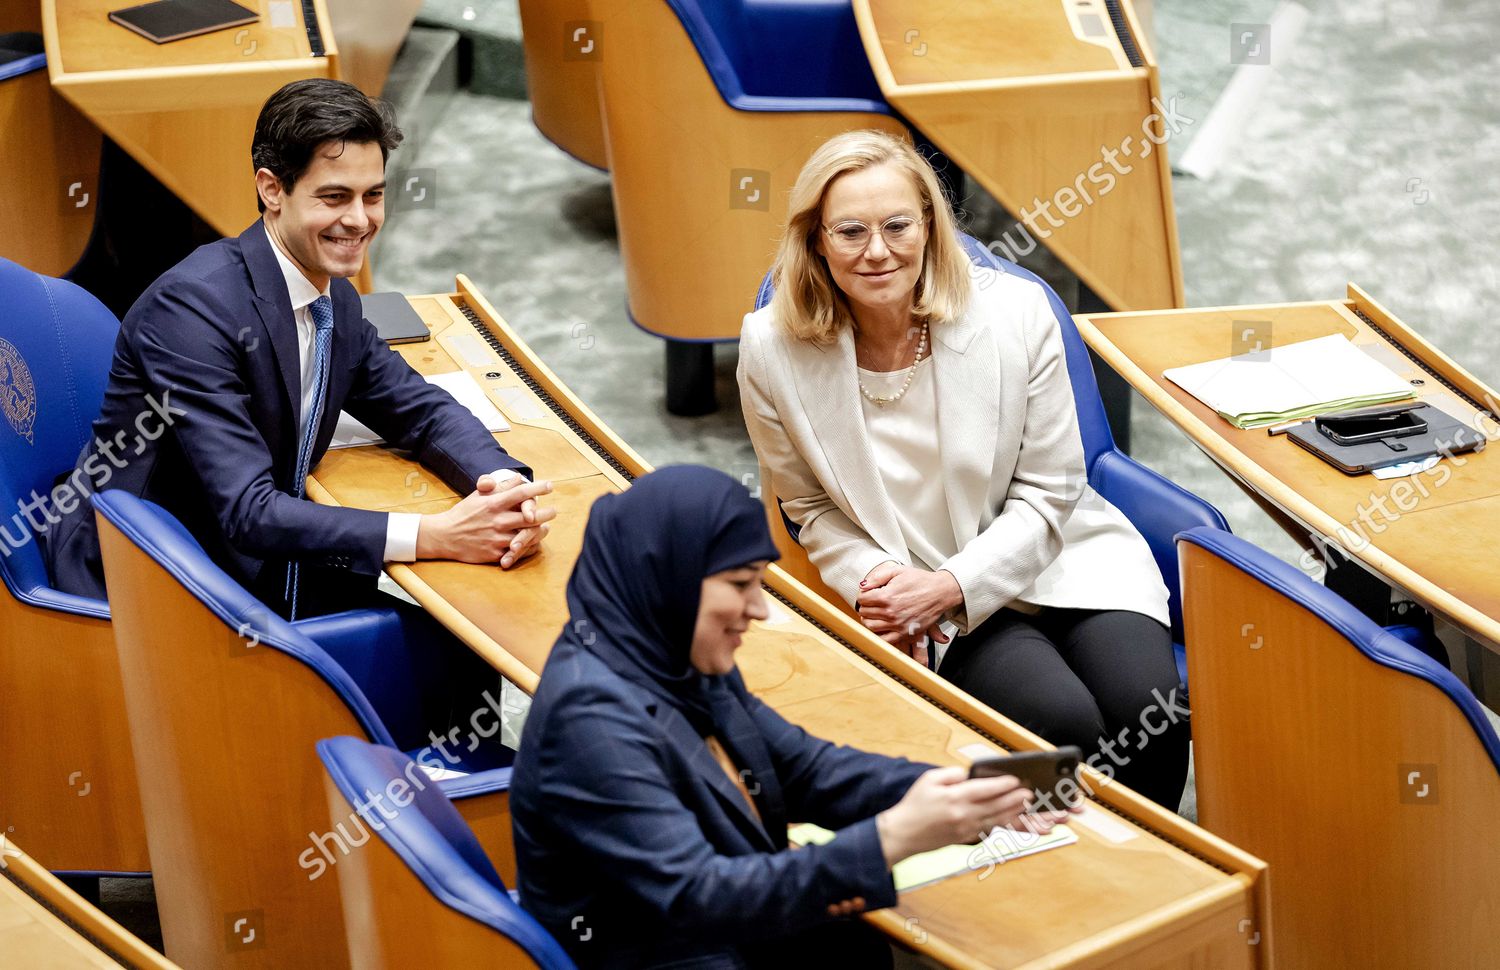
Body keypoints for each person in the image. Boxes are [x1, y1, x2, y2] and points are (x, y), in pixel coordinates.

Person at [737, 129, 1188, 808]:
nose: (878, 251)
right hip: (926, 588)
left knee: (1151, 709)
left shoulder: (1015, 312)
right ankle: (1077, 892)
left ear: (929, 225)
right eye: (852, 231)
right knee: (1061, 727)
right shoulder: (770, 349)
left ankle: (1164, 888)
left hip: (1062, 556)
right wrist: (881, 584)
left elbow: (1053, 487)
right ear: (816, 241)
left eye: (897, 226)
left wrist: (956, 582)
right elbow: (806, 509)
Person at [511, 466, 1071, 969]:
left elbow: (802, 770)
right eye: (739, 584)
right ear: (668, 577)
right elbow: (700, 899)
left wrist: (952, 796)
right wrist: (891, 837)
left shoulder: (670, 649)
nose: (758, 609)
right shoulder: (589, 724)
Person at [43, 78, 554, 618]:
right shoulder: (193, 310)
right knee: (451, 651)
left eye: (373, 195)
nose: (360, 220)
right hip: (156, 586)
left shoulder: (334, 300)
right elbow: (247, 511)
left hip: (256, 560)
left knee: (457, 638)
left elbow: (422, 412)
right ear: (272, 189)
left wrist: (502, 489)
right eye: (334, 197)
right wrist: (436, 534)